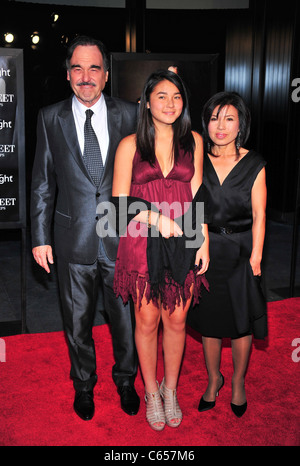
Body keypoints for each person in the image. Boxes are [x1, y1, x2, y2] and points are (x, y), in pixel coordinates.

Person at [30, 36, 140, 421]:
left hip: (121, 239)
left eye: (94, 68)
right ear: (67, 75)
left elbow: (145, 175)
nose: (86, 76)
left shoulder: (129, 114)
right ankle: (83, 385)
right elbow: (42, 183)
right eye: (77, 68)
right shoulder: (50, 117)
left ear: (106, 75)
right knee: (76, 323)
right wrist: (40, 238)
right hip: (71, 239)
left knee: (124, 320)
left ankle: (127, 380)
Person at [112, 69, 209, 431]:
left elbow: (199, 198)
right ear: (146, 102)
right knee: (148, 319)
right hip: (141, 239)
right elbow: (119, 204)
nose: (170, 104)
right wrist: (157, 219)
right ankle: (151, 390)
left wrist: (205, 242)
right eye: (162, 96)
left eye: (177, 97)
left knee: (178, 318)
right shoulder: (129, 145)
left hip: (184, 239)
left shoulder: (193, 142)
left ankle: (171, 389)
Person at [187, 91, 267, 418]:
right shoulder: (197, 159)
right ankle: (212, 379)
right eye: (215, 118)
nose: (221, 126)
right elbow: (194, 208)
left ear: (240, 124)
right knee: (209, 322)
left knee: (240, 324)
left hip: (242, 251)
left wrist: (257, 260)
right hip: (207, 249)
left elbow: (261, 215)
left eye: (229, 118)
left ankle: (237, 382)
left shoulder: (254, 164)